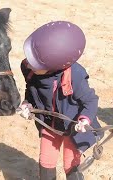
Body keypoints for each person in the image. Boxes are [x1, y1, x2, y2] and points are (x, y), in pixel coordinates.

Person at [17, 21, 103, 180]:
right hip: (50, 124)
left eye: (34, 62)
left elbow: (90, 100)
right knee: (46, 160)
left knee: (70, 164)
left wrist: (84, 120)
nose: (28, 64)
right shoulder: (31, 71)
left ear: (55, 64)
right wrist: (27, 104)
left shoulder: (75, 76)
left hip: (73, 127)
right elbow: (31, 90)